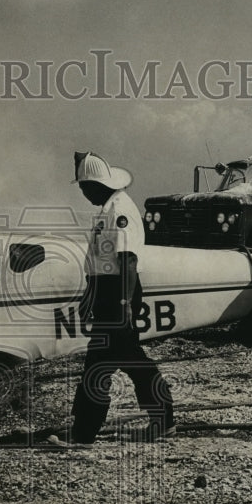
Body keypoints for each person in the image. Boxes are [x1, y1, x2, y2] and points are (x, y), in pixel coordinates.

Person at [49, 152, 175, 446]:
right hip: (108, 293)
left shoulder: (119, 210)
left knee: (100, 365)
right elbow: (101, 263)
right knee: (130, 361)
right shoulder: (108, 208)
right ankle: (163, 420)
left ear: (96, 185)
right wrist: (88, 296)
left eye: (83, 186)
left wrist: (123, 304)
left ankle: (83, 432)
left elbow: (127, 260)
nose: (82, 192)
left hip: (118, 294)